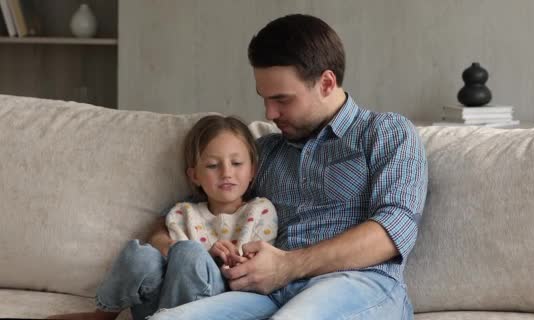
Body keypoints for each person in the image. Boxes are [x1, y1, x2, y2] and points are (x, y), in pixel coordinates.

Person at [148, 13, 428, 320]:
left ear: (326, 83)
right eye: (265, 99)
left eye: (282, 99)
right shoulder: (265, 151)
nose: (270, 113)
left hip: (360, 283)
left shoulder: (385, 132)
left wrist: (287, 265)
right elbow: (185, 212)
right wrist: (173, 246)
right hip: (271, 293)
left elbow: (393, 230)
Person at [48, 115, 278, 320]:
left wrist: (226, 261)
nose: (226, 172)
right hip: (160, 304)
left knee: (190, 252)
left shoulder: (260, 211)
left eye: (237, 163)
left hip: (210, 305)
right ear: (194, 176)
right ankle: (103, 315)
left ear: (252, 171)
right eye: (212, 165)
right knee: (141, 254)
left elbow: (258, 268)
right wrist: (204, 252)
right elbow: (168, 260)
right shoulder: (182, 213)